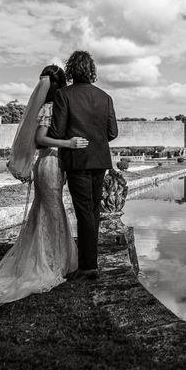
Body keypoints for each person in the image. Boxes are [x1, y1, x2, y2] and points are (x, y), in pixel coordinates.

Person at [0, 65, 89, 308]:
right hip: (49, 163)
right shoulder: (49, 107)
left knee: (47, 212)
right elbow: (39, 139)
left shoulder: (58, 106)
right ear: (60, 85)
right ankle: (50, 262)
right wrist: (69, 143)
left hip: (54, 164)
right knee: (51, 212)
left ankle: (52, 258)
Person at [47, 51, 118, 280]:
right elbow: (112, 133)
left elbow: (57, 132)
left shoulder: (64, 95)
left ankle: (88, 267)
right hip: (99, 160)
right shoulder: (105, 97)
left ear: (71, 69)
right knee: (93, 211)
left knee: (84, 212)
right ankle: (90, 262)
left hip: (77, 160)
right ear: (91, 70)